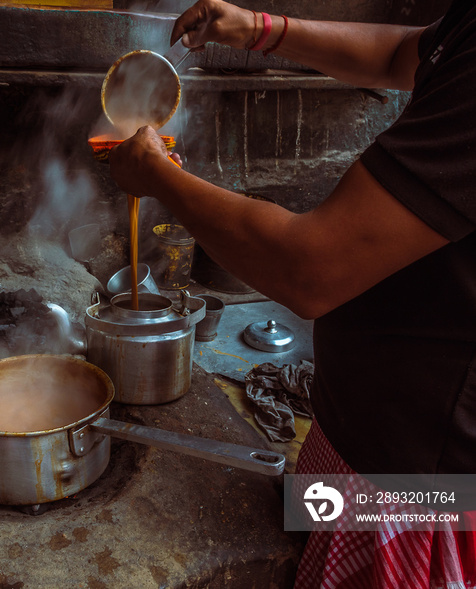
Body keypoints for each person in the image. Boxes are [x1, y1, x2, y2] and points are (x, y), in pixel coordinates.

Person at [108, 0, 476, 586]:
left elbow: (309, 270)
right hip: (352, 428)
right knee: (300, 546)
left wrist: (156, 175)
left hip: (422, 488)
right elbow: (405, 53)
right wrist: (260, 30)